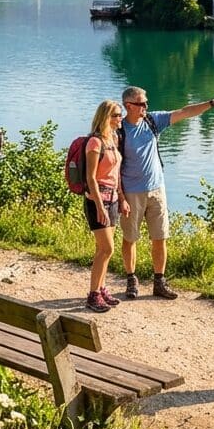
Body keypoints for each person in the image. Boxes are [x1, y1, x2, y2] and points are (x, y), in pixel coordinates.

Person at [119, 85, 214, 299]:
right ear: (128, 106)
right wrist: (120, 197)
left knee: (160, 237)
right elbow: (114, 166)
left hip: (157, 190)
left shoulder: (153, 121)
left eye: (146, 102)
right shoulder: (119, 131)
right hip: (132, 193)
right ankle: (131, 281)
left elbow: (184, 112)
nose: (146, 106)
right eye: (141, 103)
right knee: (130, 238)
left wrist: (212, 103)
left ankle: (159, 282)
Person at [82, 100, 129, 312]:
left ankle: (101, 288)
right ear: (106, 118)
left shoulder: (114, 139)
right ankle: (93, 295)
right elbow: (91, 178)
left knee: (105, 250)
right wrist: (100, 207)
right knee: (106, 248)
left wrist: (122, 197)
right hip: (97, 201)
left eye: (120, 114)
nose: (121, 118)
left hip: (113, 199)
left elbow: (115, 173)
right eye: (117, 115)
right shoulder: (95, 142)